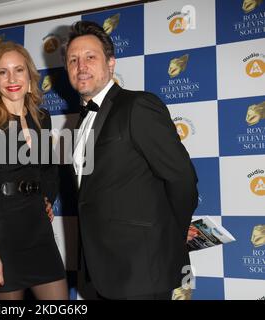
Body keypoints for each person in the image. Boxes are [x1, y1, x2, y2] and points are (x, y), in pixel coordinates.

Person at [64, 21, 199, 300]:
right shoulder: (78, 123)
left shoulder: (137, 106)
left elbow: (181, 177)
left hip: (141, 268)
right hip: (99, 270)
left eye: (91, 57)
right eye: (73, 60)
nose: (81, 66)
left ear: (111, 63)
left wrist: (175, 230)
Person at [0, 41, 68, 300]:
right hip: (0, 234)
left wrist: (47, 198)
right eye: (3, 71)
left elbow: (48, 170)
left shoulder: (41, 118)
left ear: (29, 75)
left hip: (38, 231)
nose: (11, 78)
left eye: (18, 70)